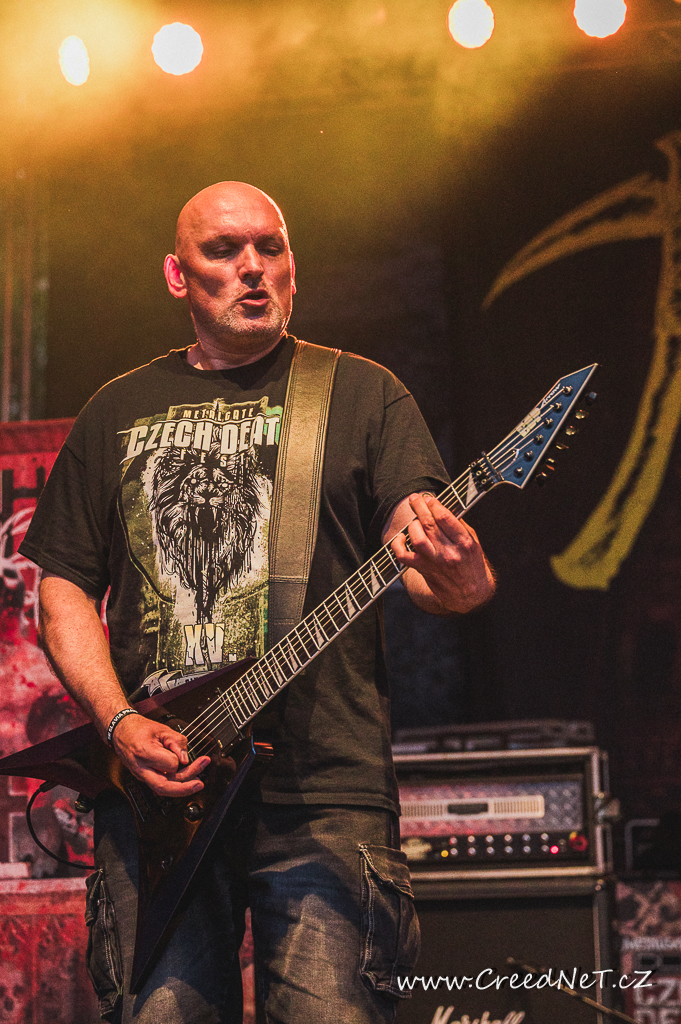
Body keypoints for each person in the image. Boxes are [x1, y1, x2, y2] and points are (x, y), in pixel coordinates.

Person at [20, 182, 495, 1024]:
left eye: (268, 248)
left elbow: (425, 561)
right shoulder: (116, 410)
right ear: (178, 275)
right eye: (223, 250)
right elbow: (61, 586)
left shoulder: (362, 394)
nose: (251, 267)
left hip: (323, 797)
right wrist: (119, 724)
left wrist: (461, 577)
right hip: (157, 792)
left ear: (292, 267)